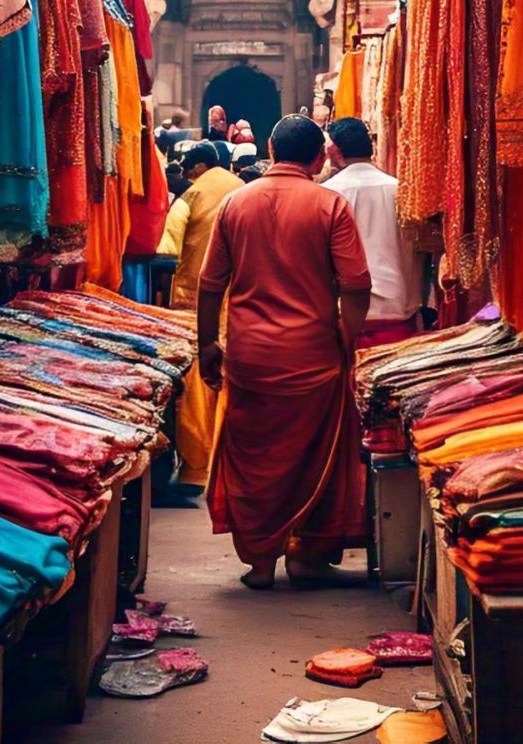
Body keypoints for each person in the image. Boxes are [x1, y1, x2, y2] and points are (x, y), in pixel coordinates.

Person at [198, 114, 372, 589]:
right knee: (315, 454)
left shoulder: (237, 202)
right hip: (312, 353)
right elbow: (356, 284)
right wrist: (345, 335)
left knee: (256, 456)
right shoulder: (329, 204)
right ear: (319, 158)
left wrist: (207, 344)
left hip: (250, 355)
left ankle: (260, 563)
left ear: (270, 150)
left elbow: (211, 284)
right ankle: (305, 554)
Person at [164, 142, 243, 487]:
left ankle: (197, 469)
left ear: (197, 168)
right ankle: (231, 463)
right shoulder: (244, 191)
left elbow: (165, 250)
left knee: (197, 383)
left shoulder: (190, 197)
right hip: (239, 299)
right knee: (234, 378)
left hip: (193, 301)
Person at [323, 117, 426, 349]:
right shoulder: (400, 189)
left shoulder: (326, 194)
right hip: (400, 313)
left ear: (334, 150)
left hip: (346, 318)